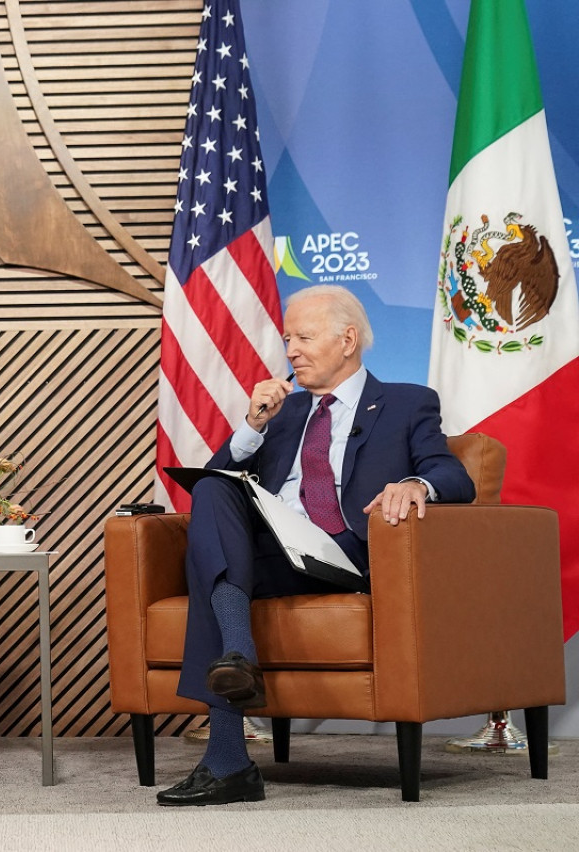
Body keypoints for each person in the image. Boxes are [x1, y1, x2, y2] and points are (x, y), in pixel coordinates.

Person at [156, 285, 475, 806]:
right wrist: (253, 427)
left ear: (348, 339)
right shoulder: (282, 412)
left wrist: (416, 485)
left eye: (303, 337)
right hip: (274, 552)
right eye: (287, 339)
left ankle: (227, 757)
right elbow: (211, 493)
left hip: (346, 551)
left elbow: (453, 475)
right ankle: (237, 660)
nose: (291, 351)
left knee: (215, 578)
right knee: (215, 487)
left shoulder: (406, 401)